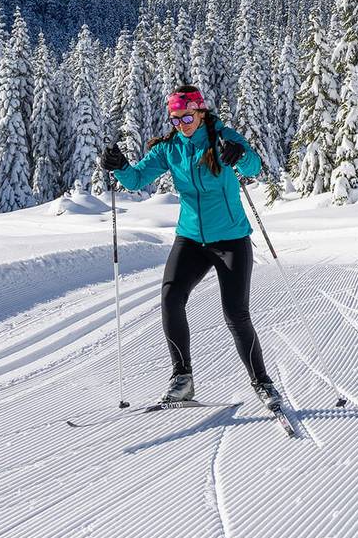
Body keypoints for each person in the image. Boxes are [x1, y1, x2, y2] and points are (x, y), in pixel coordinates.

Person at [100, 85, 282, 411]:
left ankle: (263, 382)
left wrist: (240, 156)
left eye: (187, 116)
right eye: (175, 119)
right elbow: (136, 179)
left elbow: (254, 166)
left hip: (230, 239)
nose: (182, 124)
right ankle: (182, 379)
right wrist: (119, 166)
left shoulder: (222, 138)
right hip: (190, 239)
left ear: (200, 112)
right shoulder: (171, 149)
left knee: (235, 314)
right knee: (170, 296)